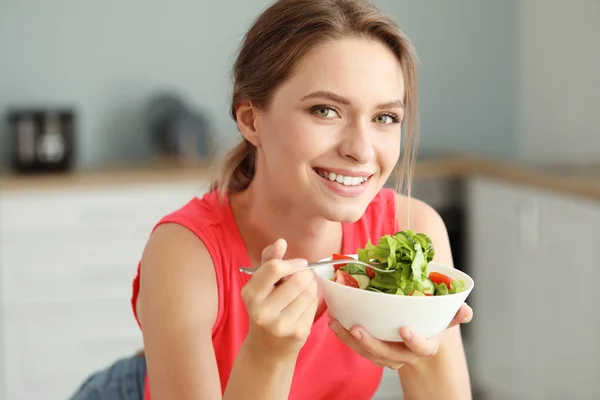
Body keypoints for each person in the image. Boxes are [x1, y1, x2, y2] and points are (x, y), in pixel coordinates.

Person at [72, 0, 473, 399]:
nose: (362, 150)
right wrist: (267, 356)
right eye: (325, 110)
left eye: (385, 117)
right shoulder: (184, 252)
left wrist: (421, 351)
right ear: (251, 120)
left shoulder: (411, 232)